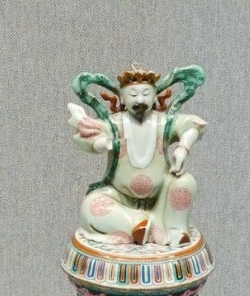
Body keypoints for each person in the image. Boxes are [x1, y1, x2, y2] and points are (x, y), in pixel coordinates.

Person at [67, 67, 205, 246]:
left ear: (155, 97)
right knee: (90, 205)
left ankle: (174, 230)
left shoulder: (164, 123)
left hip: (160, 199)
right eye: (133, 95)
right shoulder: (115, 123)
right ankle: (139, 225)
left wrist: (183, 148)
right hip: (120, 197)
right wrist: (103, 143)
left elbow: (191, 126)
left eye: (146, 94)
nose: (140, 100)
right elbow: (94, 138)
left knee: (186, 181)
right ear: (122, 98)